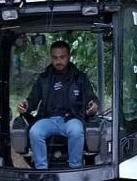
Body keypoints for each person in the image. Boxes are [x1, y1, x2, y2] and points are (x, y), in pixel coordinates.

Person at [17, 41, 99, 170]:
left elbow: (91, 98)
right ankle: (41, 170)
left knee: (76, 131)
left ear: (69, 56)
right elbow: (32, 100)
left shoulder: (80, 78)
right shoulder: (43, 79)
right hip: (48, 119)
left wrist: (94, 105)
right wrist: (25, 106)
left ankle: (75, 168)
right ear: (51, 57)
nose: (58, 61)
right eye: (55, 57)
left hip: (72, 119)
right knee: (35, 132)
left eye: (62, 57)